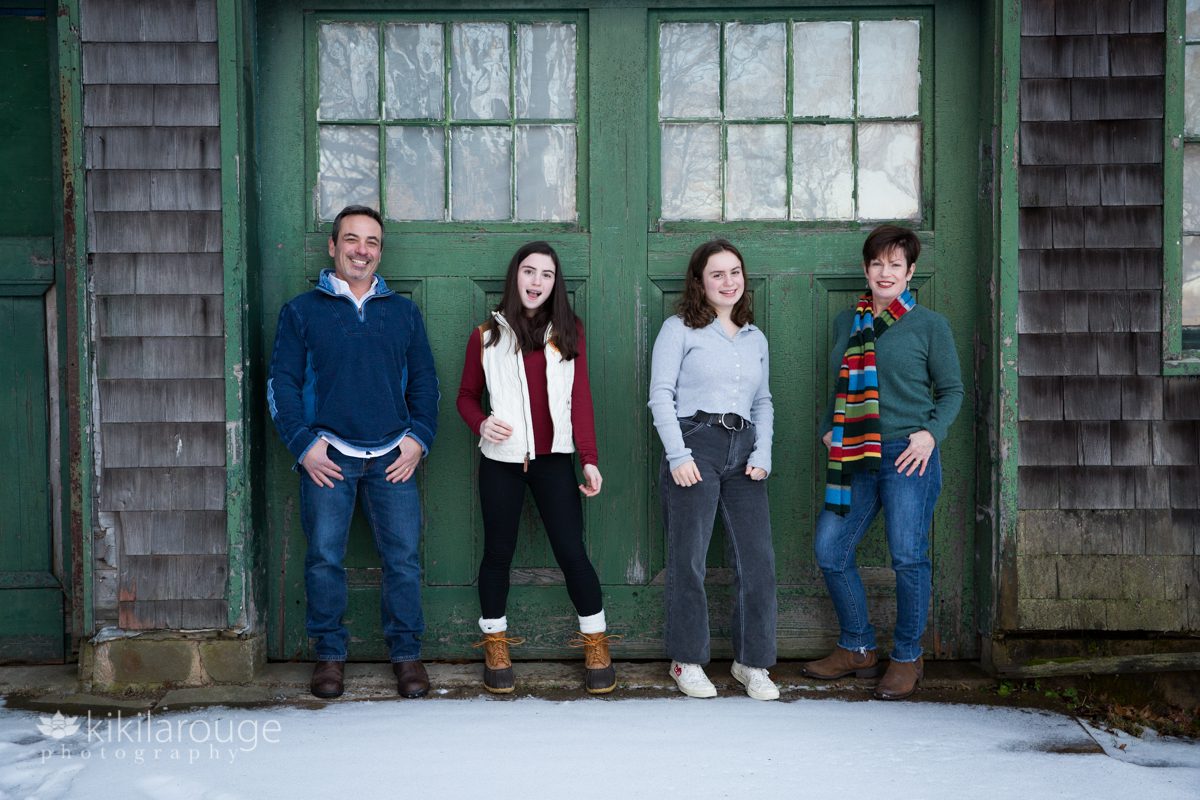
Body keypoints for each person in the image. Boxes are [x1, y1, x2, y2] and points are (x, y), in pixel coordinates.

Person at [268, 204, 440, 700]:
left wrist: (418, 439)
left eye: (371, 242)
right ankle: (329, 656)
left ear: (380, 252)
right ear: (333, 246)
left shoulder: (403, 312)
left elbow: (426, 383)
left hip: (393, 456)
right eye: (352, 239)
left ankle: (407, 656)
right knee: (324, 557)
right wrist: (303, 446)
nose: (361, 250)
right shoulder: (302, 311)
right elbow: (281, 382)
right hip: (329, 458)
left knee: (404, 559)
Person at [802, 224, 963, 700]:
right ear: (866, 269)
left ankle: (908, 656)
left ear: (911, 272)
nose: (885, 272)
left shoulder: (930, 326)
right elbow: (840, 388)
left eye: (896, 264)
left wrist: (931, 435)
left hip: (906, 455)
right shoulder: (846, 323)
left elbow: (952, 391)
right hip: (855, 451)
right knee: (830, 549)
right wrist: (831, 427)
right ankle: (857, 647)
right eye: (877, 263)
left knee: (908, 556)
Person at [456, 241, 617, 695]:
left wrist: (589, 460)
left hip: (553, 462)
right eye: (529, 272)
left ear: (555, 283)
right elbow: (465, 397)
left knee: (572, 553)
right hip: (501, 464)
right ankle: (495, 643)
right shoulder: (486, 335)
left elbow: (579, 399)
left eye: (546, 275)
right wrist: (482, 424)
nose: (536, 282)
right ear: (515, 276)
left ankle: (596, 642)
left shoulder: (569, 333)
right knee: (497, 554)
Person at [648, 239, 779, 701]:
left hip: (744, 450)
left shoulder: (754, 336)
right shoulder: (679, 329)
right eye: (717, 274)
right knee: (689, 559)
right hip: (696, 442)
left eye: (735, 272)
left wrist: (762, 452)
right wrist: (678, 455)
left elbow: (762, 401)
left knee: (757, 562)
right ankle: (686, 659)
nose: (728, 282)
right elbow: (661, 394)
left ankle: (753, 662)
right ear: (700, 283)